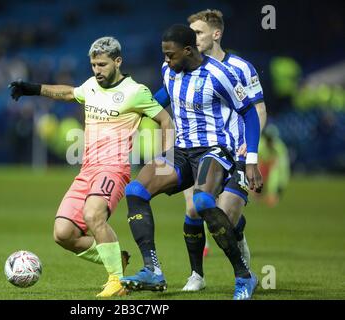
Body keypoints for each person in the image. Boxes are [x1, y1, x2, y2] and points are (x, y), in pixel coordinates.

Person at [8, 36, 174, 297]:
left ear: (118, 61)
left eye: (102, 64)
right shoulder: (90, 86)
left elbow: (166, 120)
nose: (97, 70)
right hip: (87, 170)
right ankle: (117, 258)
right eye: (93, 65)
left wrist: (167, 158)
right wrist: (32, 88)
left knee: (93, 214)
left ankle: (117, 280)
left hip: (113, 169)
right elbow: (67, 93)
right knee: (63, 234)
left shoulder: (136, 91)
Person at [120, 24, 263, 300]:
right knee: (136, 191)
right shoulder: (169, 71)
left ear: (188, 50)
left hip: (215, 151)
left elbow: (249, 114)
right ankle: (152, 269)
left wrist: (251, 158)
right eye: (164, 55)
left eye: (170, 55)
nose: (166, 61)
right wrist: (131, 110)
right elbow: (163, 98)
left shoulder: (220, 75)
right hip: (181, 152)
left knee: (202, 202)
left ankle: (244, 276)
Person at [178, 9, 268, 291]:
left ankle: (237, 236)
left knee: (226, 216)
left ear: (216, 34)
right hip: (201, 151)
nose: (192, 38)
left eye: (198, 32)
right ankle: (197, 276)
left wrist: (250, 146)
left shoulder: (241, 68)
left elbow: (259, 109)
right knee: (194, 209)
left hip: (236, 153)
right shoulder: (186, 67)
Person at [255, 124, 290, 207]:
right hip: (263, 165)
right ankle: (259, 193)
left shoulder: (279, 147)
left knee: (275, 173)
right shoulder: (260, 144)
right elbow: (256, 160)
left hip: (274, 167)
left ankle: (273, 194)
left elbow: (282, 167)